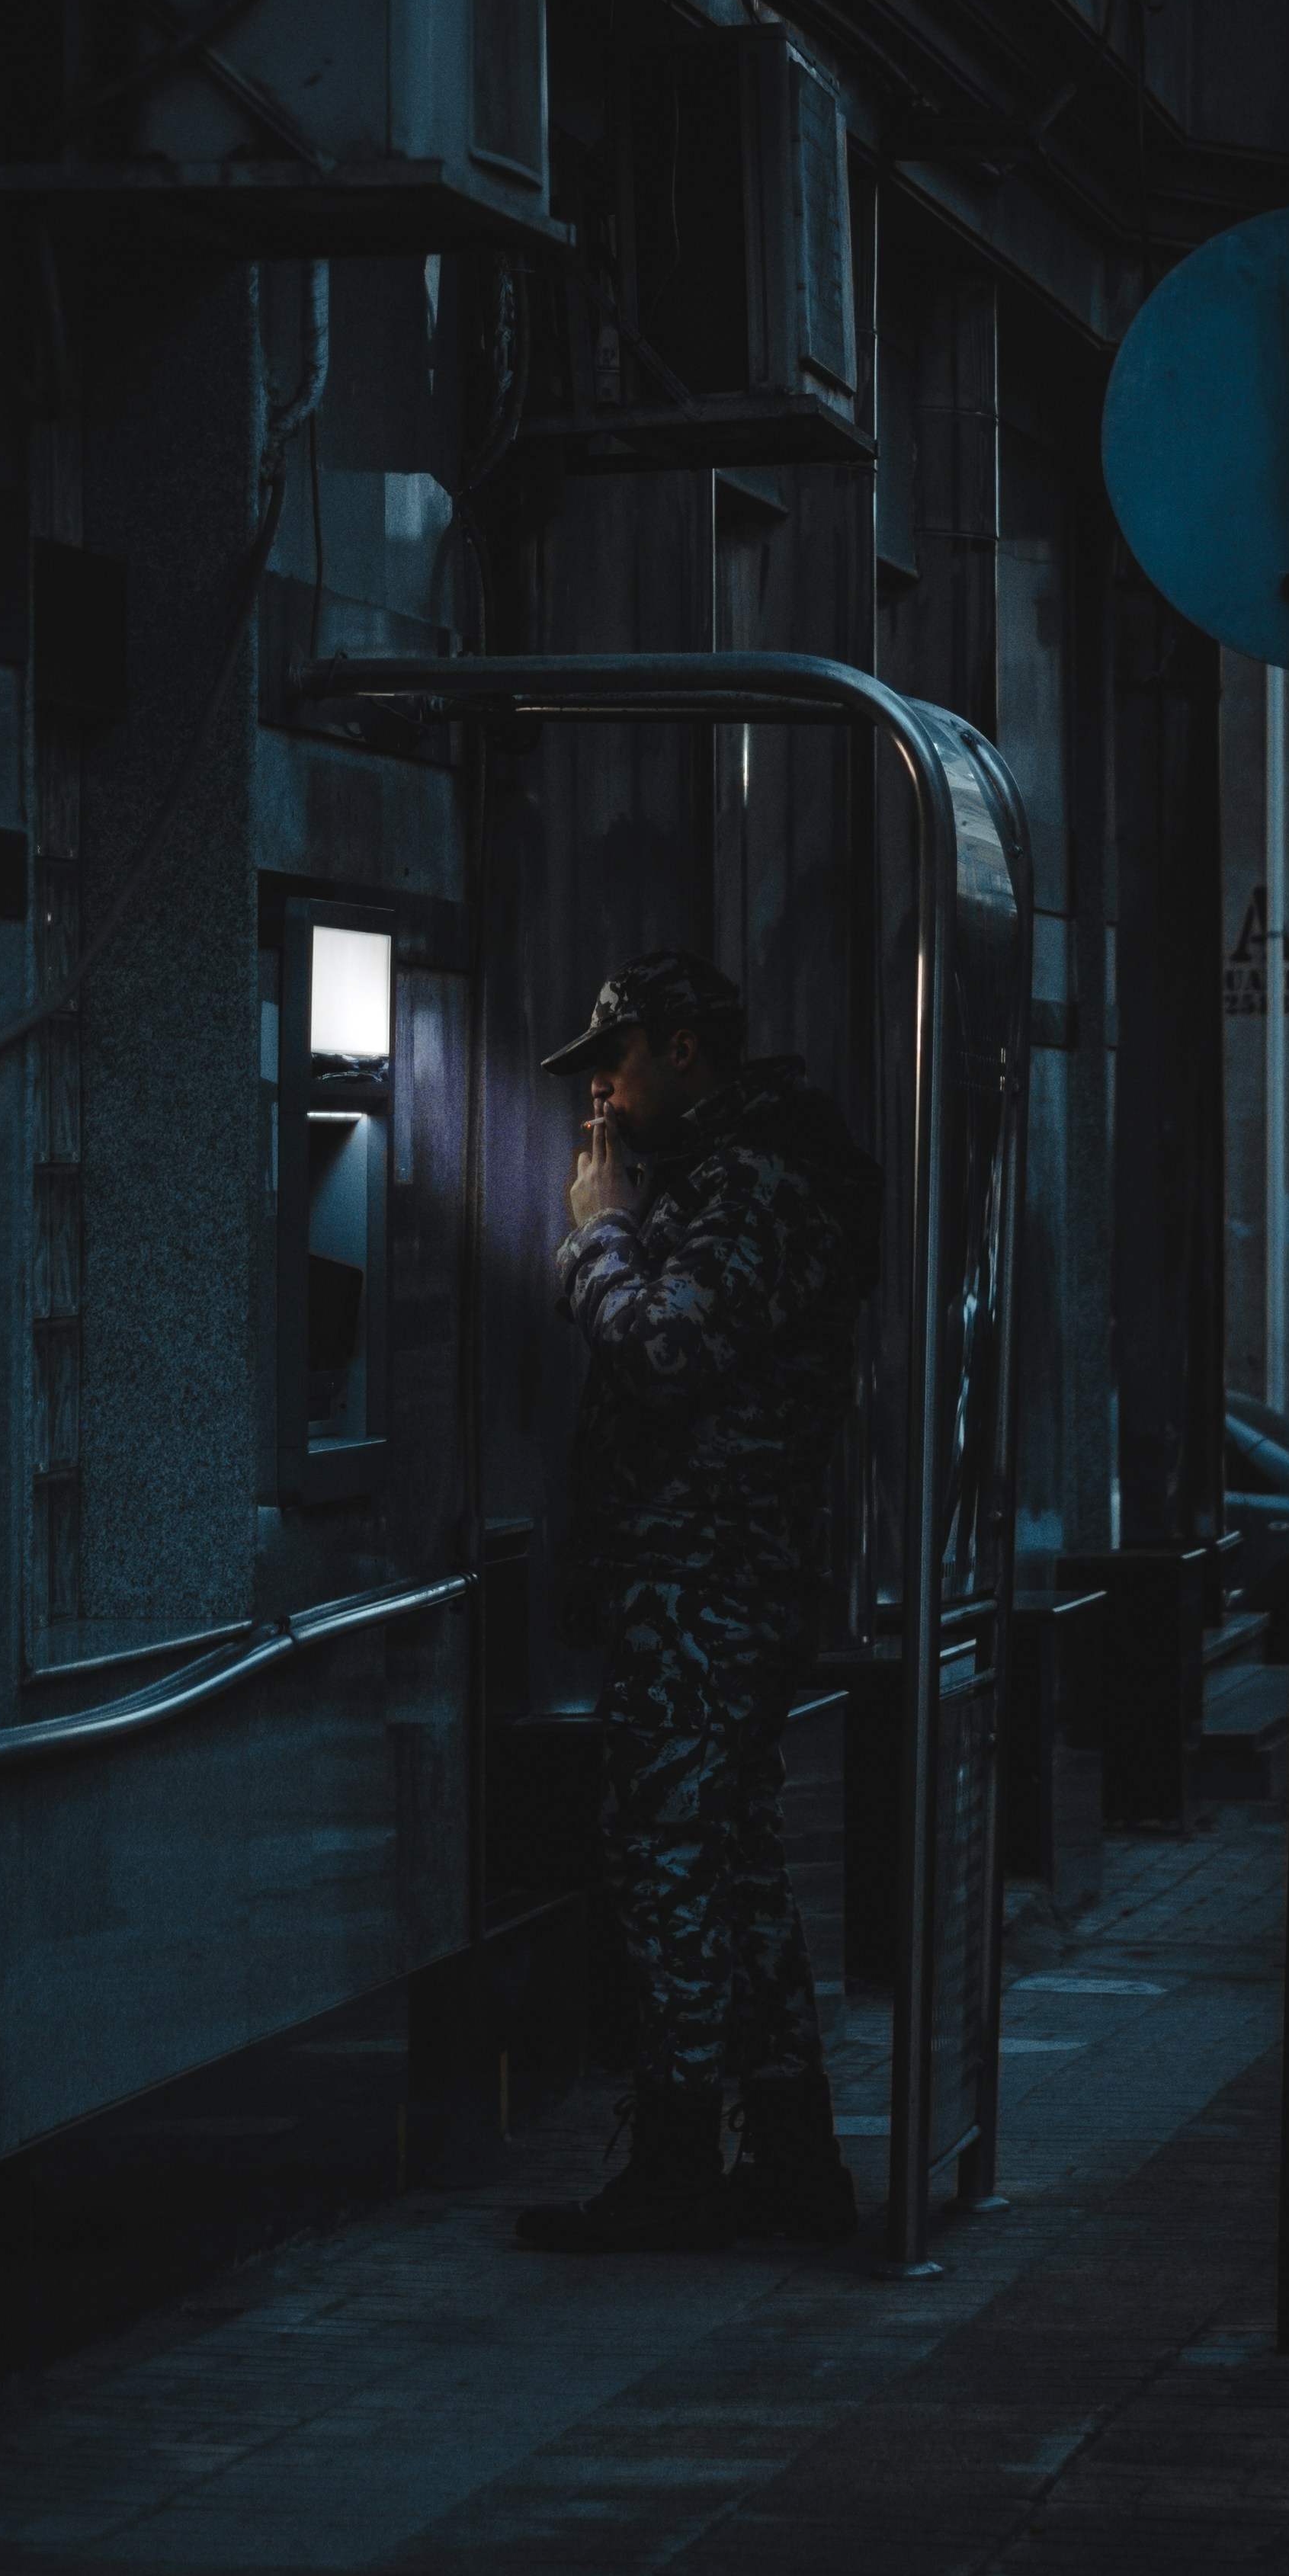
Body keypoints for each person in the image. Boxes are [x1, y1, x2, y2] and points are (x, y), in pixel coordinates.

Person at [515, 952, 883, 2256]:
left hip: (704, 1579)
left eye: (611, 1063)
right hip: (708, 1572)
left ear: (682, 1049)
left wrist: (594, 1231)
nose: (598, 1096)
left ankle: (678, 2167)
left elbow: (667, 1349)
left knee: (670, 1857)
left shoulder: (752, 1186)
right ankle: (786, 2157)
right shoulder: (736, 1175)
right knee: (725, 1866)